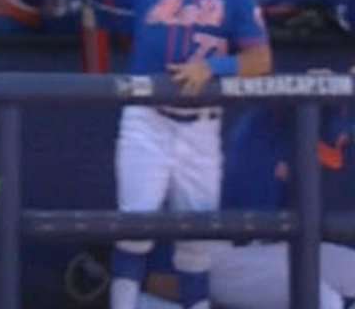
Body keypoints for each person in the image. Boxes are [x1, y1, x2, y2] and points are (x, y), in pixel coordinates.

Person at [57, 0, 273, 309]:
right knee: (134, 228)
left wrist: (213, 67)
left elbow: (260, 61)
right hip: (148, 121)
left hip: (201, 129)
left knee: (197, 241)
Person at [139, 91, 355, 309]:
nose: (318, 164)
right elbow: (161, 279)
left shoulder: (294, 152)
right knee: (323, 299)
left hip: (262, 253)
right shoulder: (255, 141)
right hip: (215, 259)